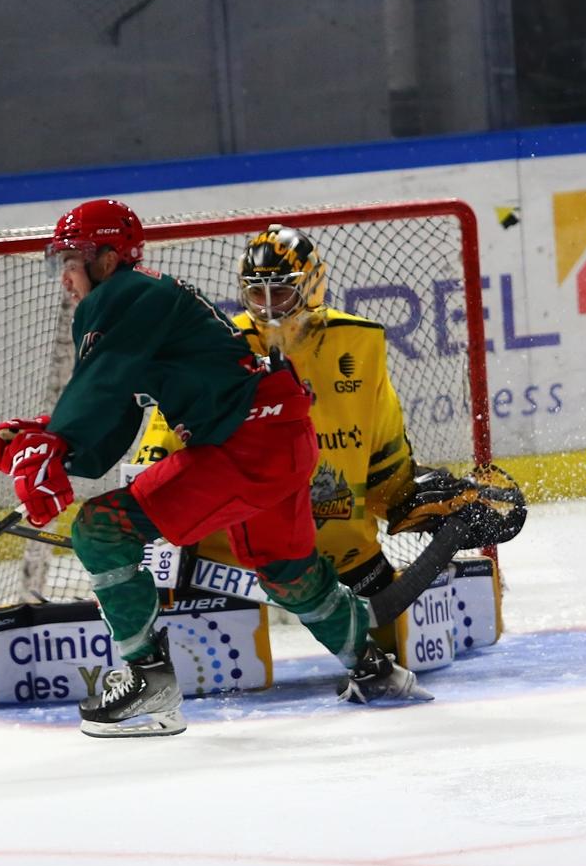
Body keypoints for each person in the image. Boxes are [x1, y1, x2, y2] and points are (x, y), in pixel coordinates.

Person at [0, 199, 429, 737]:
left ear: (107, 259)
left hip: (245, 446)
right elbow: (115, 412)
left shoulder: (121, 295)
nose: (66, 277)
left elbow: (98, 388)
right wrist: (57, 443)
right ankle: (375, 668)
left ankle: (148, 680)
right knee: (285, 570)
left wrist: (55, 441)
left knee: (100, 530)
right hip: (281, 439)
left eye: (73, 259)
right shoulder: (144, 298)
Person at [134, 224, 525, 642]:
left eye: (281, 292)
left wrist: (427, 507)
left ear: (311, 287)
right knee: (210, 661)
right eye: (257, 294)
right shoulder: (215, 348)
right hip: (230, 565)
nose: (269, 308)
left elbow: (383, 466)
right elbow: (157, 455)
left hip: (342, 555)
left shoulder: (359, 344)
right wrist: (147, 540)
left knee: (404, 645)